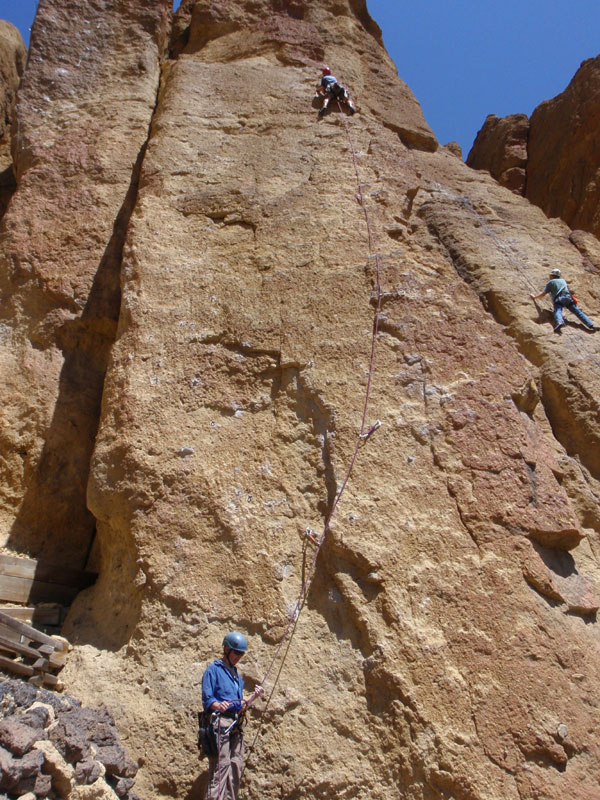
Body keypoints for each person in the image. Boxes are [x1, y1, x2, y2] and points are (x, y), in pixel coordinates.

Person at [201, 632, 263, 800]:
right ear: (227, 649)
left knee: (235, 766)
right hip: (221, 723)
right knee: (220, 768)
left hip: (236, 724)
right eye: (236, 652)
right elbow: (207, 699)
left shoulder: (236, 675)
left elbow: (239, 704)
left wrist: (253, 698)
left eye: (241, 654)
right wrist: (218, 705)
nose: (238, 657)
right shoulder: (213, 670)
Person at [530, 268, 599, 333]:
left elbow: (543, 294)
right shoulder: (563, 281)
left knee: (558, 310)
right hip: (568, 297)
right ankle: (591, 325)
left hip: (559, 299)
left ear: (551, 275)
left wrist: (535, 297)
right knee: (578, 312)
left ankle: (560, 322)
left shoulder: (551, 282)